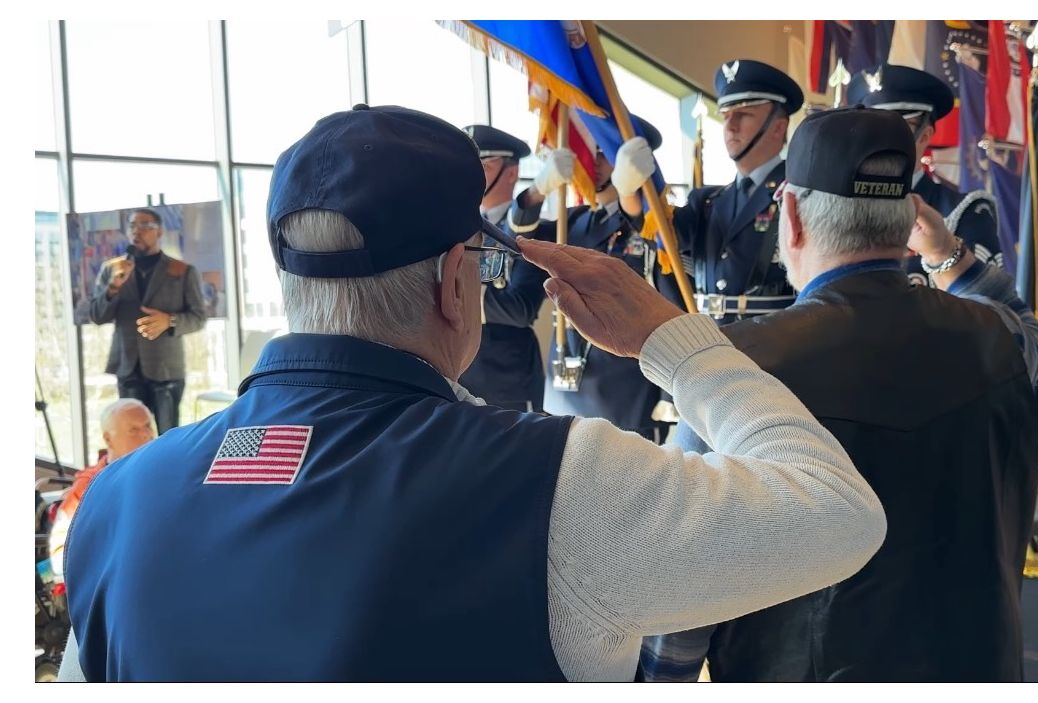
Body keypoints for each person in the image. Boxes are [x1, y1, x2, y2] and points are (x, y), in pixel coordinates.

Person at [58, 104, 887, 682]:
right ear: (456, 280)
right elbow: (841, 513)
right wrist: (671, 339)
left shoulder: (115, 502)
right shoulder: (557, 485)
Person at [639, 106, 1038, 682]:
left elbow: (682, 577)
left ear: (791, 217)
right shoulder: (999, 339)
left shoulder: (731, 366)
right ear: (910, 216)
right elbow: (1033, 334)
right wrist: (946, 254)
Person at [515, 116, 670, 441]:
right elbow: (519, 242)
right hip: (568, 380)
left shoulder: (655, 224)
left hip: (625, 387)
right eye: (589, 151)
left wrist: (668, 394)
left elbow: (670, 297)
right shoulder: (573, 220)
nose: (593, 162)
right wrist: (535, 193)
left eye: (604, 152)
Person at [657, 59, 805, 324]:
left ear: (778, 127)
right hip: (710, 339)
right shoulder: (706, 202)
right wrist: (638, 184)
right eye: (726, 116)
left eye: (744, 114)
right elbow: (662, 232)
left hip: (774, 340)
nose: (730, 126)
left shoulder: (799, 195)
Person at [846, 63, 1004, 287]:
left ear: (924, 136)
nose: (878, 139)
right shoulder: (840, 205)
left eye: (894, 129)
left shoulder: (964, 212)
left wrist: (942, 252)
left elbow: (984, 302)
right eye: (869, 128)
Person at [457, 124, 562, 412]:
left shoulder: (534, 231)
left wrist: (457, 294)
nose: (472, 175)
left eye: (484, 166)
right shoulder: (459, 229)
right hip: (460, 377)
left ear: (511, 172)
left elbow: (520, 309)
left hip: (508, 381)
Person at [85, 208, 207, 434]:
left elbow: (199, 317)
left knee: (168, 438)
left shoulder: (181, 270)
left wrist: (169, 321)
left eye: (144, 226)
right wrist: (113, 288)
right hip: (128, 366)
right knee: (131, 437)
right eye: (132, 226)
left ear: (159, 231)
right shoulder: (112, 270)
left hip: (166, 368)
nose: (136, 231)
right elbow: (97, 315)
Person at [48, 399, 156, 578]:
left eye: (148, 426)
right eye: (134, 430)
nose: (147, 435)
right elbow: (61, 557)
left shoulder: (165, 472)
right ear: (108, 439)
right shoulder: (87, 489)